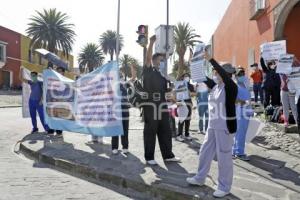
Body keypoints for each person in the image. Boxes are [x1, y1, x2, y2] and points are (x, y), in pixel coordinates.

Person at [186, 51, 238, 198]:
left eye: (217, 72)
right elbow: (201, 77)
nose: (215, 74)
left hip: (225, 127)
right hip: (213, 125)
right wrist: (194, 63)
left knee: (224, 157)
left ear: (225, 74)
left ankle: (224, 186)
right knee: (205, 152)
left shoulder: (230, 86)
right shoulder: (216, 86)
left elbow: (223, 75)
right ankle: (200, 177)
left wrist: (211, 60)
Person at [141, 35, 180, 165]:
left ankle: (168, 155)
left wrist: (171, 92)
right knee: (150, 131)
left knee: (166, 130)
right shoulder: (148, 71)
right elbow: (147, 58)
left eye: (163, 60)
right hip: (151, 106)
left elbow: (165, 91)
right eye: (160, 60)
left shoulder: (161, 75)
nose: (162, 62)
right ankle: (149, 157)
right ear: (154, 61)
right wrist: (151, 43)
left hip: (162, 105)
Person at [19, 68, 49, 134]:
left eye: (33, 75)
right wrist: (21, 70)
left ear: (36, 76)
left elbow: (45, 92)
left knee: (42, 116)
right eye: (31, 76)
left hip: (39, 102)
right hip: (31, 101)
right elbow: (21, 78)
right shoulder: (31, 82)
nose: (32, 77)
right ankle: (35, 128)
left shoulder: (40, 83)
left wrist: (41, 100)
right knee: (33, 116)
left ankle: (47, 129)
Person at [232, 67, 252, 161]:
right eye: (240, 74)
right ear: (235, 76)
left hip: (246, 110)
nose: (242, 75)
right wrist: (244, 102)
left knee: (240, 132)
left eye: (243, 73)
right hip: (240, 111)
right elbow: (234, 100)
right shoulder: (235, 85)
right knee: (240, 132)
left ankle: (234, 151)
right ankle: (239, 153)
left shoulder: (244, 84)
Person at [111, 70, 131, 155]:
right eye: (119, 75)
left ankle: (125, 147)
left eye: (121, 75)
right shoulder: (112, 86)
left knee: (125, 129)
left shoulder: (125, 84)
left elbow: (132, 80)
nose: (121, 77)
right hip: (116, 110)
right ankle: (114, 147)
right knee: (115, 129)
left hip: (125, 110)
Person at [176, 73, 196, 142]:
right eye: (185, 76)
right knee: (181, 119)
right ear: (182, 78)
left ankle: (187, 134)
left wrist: (190, 92)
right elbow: (177, 93)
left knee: (188, 119)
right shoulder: (179, 84)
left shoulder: (191, 86)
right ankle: (179, 135)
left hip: (189, 103)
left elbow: (193, 94)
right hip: (181, 103)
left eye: (188, 76)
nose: (186, 77)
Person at [47, 66, 66, 138]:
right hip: (52, 102)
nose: (58, 72)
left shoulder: (65, 81)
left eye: (60, 71)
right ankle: (51, 131)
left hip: (61, 103)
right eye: (57, 71)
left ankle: (59, 132)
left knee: (59, 117)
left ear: (63, 72)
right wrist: (49, 72)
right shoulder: (53, 80)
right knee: (51, 116)